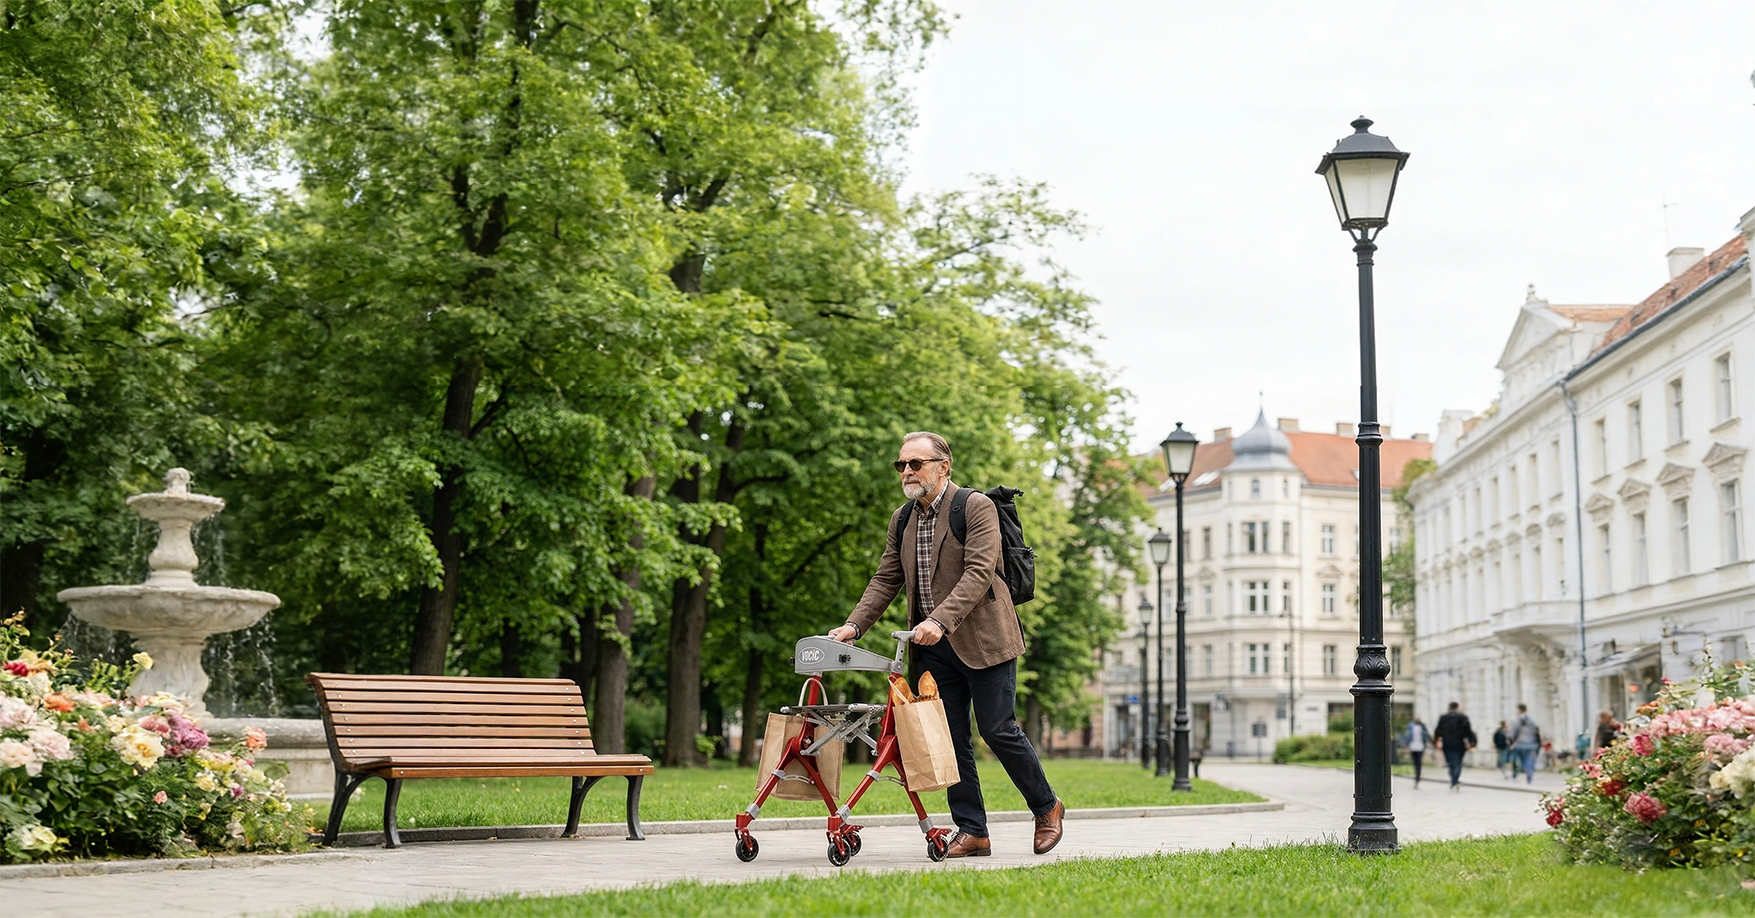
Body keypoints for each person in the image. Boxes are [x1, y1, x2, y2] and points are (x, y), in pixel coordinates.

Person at [832, 431, 1063, 858]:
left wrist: (940, 619)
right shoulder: (902, 519)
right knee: (951, 739)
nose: (906, 471)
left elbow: (978, 572)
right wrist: (853, 626)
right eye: (900, 464)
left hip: (985, 639)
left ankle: (1047, 807)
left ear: (943, 466)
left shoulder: (976, 507)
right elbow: (886, 578)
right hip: (932, 648)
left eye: (915, 464)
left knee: (997, 729)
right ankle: (972, 830)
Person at [1432, 701, 1476, 792]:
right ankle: (1454, 781)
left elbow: (1438, 730)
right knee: (1457, 763)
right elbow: (1468, 730)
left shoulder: (1443, 718)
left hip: (1447, 743)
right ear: (1457, 708)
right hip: (1459, 743)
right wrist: (1472, 742)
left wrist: (1436, 741)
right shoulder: (1463, 717)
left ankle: (1453, 780)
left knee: (1451, 763)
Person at [1508, 703, 1541, 784]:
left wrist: (1511, 741)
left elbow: (1513, 732)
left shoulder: (1517, 720)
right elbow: (1537, 731)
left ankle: (1525, 770)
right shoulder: (1532, 720)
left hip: (1520, 744)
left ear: (1519, 710)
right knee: (1529, 760)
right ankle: (1529, 774)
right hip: (1532, 744)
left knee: (1521, 760)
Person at [1402, 716, 1431, 788]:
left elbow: (1427, 736)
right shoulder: (1410, 726)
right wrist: (1406, 746)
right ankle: (1416, 777)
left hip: (1420, 747)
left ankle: (1417, 778)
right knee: (1415, 763)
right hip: (1413, 747)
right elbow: (1407, 736)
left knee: (1419, 763)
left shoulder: (1423, 726)